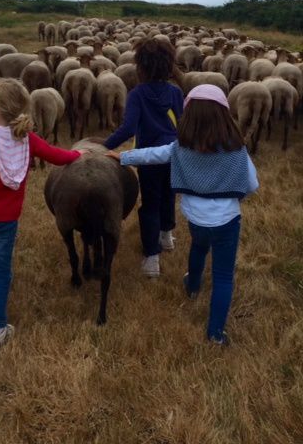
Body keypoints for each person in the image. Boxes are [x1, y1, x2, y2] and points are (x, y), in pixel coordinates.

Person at [107, 84, 259, 345]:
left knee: (199, 248)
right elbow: (251, 185)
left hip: (196, 218)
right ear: (224, 115)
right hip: (227, 220)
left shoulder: (180, 148)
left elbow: (153, 155)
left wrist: (122, 157)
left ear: (189, 115)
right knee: (223, 276)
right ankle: (215, 334)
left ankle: (192, 285)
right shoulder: (237, 150)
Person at [0, 78, 86, 349]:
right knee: (1, 273)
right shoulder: (25, 137)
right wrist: (78, 153)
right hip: (5, 220)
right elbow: (56, 155)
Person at [104, 38, 184, 278]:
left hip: (148, 158)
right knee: (169, 194)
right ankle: (166, 236)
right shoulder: (176, 92)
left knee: (150, 203)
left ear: (141, 66)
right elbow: (182, 124)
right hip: (174, 155)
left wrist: (104, 146)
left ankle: (152, 258)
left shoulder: (137, 94)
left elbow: (128, 129)